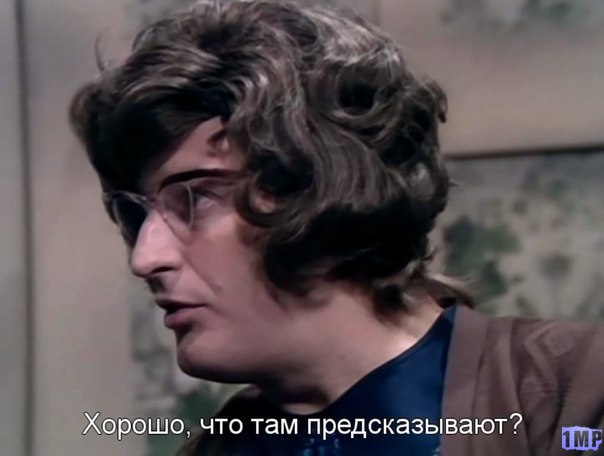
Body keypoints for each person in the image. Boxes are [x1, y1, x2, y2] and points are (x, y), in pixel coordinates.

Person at [68, 1, 604, 455]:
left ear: (323, 185)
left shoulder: (572, 395)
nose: (145, 258)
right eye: (138, 214)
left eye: (197, 198)